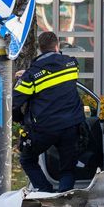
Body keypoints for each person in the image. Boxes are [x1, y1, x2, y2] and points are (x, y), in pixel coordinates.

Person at [13, 31, 85, 193]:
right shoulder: (71, 65)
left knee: (27, 159)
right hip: (71, 125)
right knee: (67, 168)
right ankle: (65, 201)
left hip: (44, 129)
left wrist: (23, 77)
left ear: (40, 49)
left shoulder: (32, 75)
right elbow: (59, 77)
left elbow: (15, 102)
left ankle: (45, 193)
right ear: (57, 45)